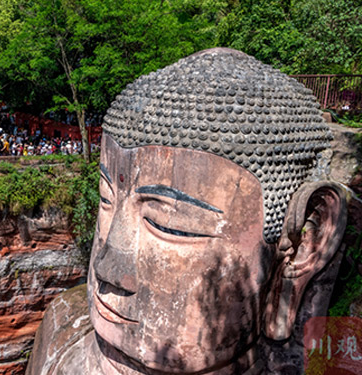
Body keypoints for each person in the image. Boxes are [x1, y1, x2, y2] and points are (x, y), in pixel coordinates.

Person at [27, 48, 347, 375]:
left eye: (169, 225)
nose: (106, 267)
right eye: (105, 200)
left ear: (305, 248)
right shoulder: (59, 333)